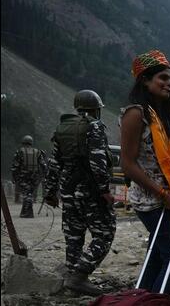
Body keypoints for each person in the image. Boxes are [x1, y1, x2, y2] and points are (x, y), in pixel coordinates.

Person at [120, 49, 170, 296]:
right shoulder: (135, 114)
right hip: (153, 201)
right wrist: (163, 194)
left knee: (157, 256)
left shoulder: (169, 115)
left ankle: (140, 300)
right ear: (144, 79)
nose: (169, 83)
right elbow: (128, 164)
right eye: (162, 78)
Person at [43, 90, 116, 296]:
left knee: (73, 237)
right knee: (104, 234)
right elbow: (98, 161)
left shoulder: (62, 127)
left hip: (67, 191)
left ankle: (71, 282)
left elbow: (54, 163)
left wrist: (50, 191)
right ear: (96, 109)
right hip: (90, 191)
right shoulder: (95, 126)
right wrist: (104, 190)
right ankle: (79, 277)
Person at [11, 135, 47, 218]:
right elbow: (43, 165)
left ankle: (28, 213)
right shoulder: (37, 152)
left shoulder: (20, 151)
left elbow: (15, 166)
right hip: (35, 176)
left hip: (23, 176)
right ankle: (25, 212)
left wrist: (14, 176)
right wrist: (44, 174)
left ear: (23, 142)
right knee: (29, 192)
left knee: (26, 193)